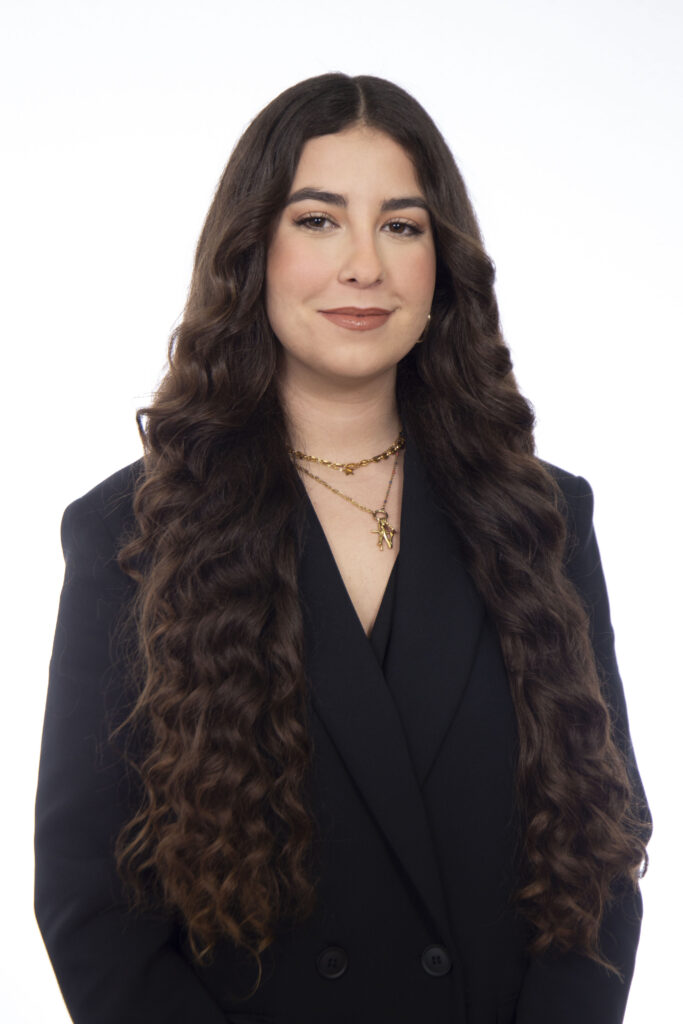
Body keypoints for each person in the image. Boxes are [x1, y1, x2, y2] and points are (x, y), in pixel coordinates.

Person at [35, 73, 651, 1024]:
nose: (364, 265)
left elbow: (598, 857)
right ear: (252, 250)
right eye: (318, 220)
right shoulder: (130, 533)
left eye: (401, 226)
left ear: (441, 263)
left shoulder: (542, 518)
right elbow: (92, 907)